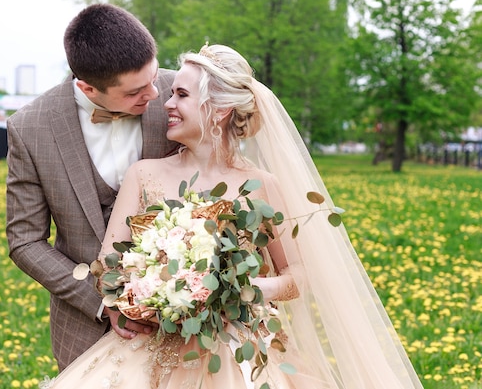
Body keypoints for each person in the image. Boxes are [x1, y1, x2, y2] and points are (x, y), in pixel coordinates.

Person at [40, 44, 424, 388]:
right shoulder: (145, 175)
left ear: (220, 110)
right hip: (151, 347)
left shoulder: (261, 186)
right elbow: (110, 266)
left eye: (182, 95)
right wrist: (154, 290)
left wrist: (242, 290)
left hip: (237, 348)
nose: (167, 104)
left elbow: (299, 274)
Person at [6, 4, 178, 371]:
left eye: (153, 76)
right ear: (87, 87)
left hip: (182, 322)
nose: (153, 93)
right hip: (84, 327)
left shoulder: (180, 94)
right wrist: (103, 302)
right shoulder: (30, 128)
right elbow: (25, 241)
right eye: (135, 91)